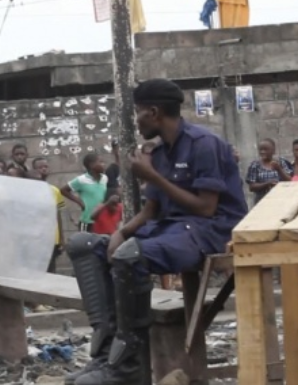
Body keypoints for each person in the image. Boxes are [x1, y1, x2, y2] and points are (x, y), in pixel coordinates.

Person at [65, 79, 247, 385]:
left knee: (130, 257)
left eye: (138, 112)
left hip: (212, 229)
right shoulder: (160, 152)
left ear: (153, 111)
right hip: (173, 227)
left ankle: (128, 368)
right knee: (84, 245)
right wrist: (121, 233)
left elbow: (205, 207)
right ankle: (106, 355)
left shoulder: (204, 144)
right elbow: (151, 210)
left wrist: (151, 176)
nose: (136, 121)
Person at [61, 153, 108, 233]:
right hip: (87, 221)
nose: (104, 164)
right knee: (86, 243)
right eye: (101, 162)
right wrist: (79, 201)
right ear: (91, 165)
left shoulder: (105, 178)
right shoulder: (81, 180)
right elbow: (63, 190)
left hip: (102, 220)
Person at [245, 138, 292, 205]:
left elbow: (290, 180)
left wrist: (279, 169)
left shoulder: (281, 162)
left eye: (266, 149)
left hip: (281, 200)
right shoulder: (255, 165)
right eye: (261, 150)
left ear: (273, 150)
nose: (262, 152)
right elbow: (252, 187)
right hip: (262, 202)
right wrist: (267, 184)